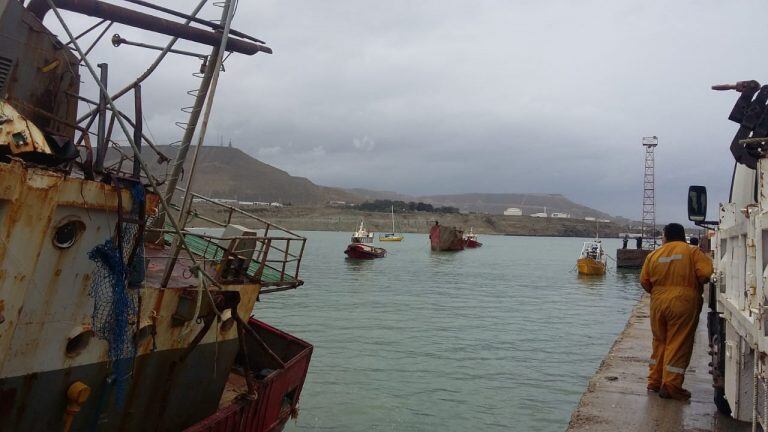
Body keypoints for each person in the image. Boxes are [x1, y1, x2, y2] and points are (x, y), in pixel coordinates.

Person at [640, 223, 713, 401]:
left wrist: (659, 292)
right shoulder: (692, 252)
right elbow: (705, 274)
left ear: (665, 236)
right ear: (682, 236)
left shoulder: (653, 255)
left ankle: (655, 381)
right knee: (678, 343)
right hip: (683, 301)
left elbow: (644, 281)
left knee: (659, 342)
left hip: (658, 301)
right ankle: (671, 385)